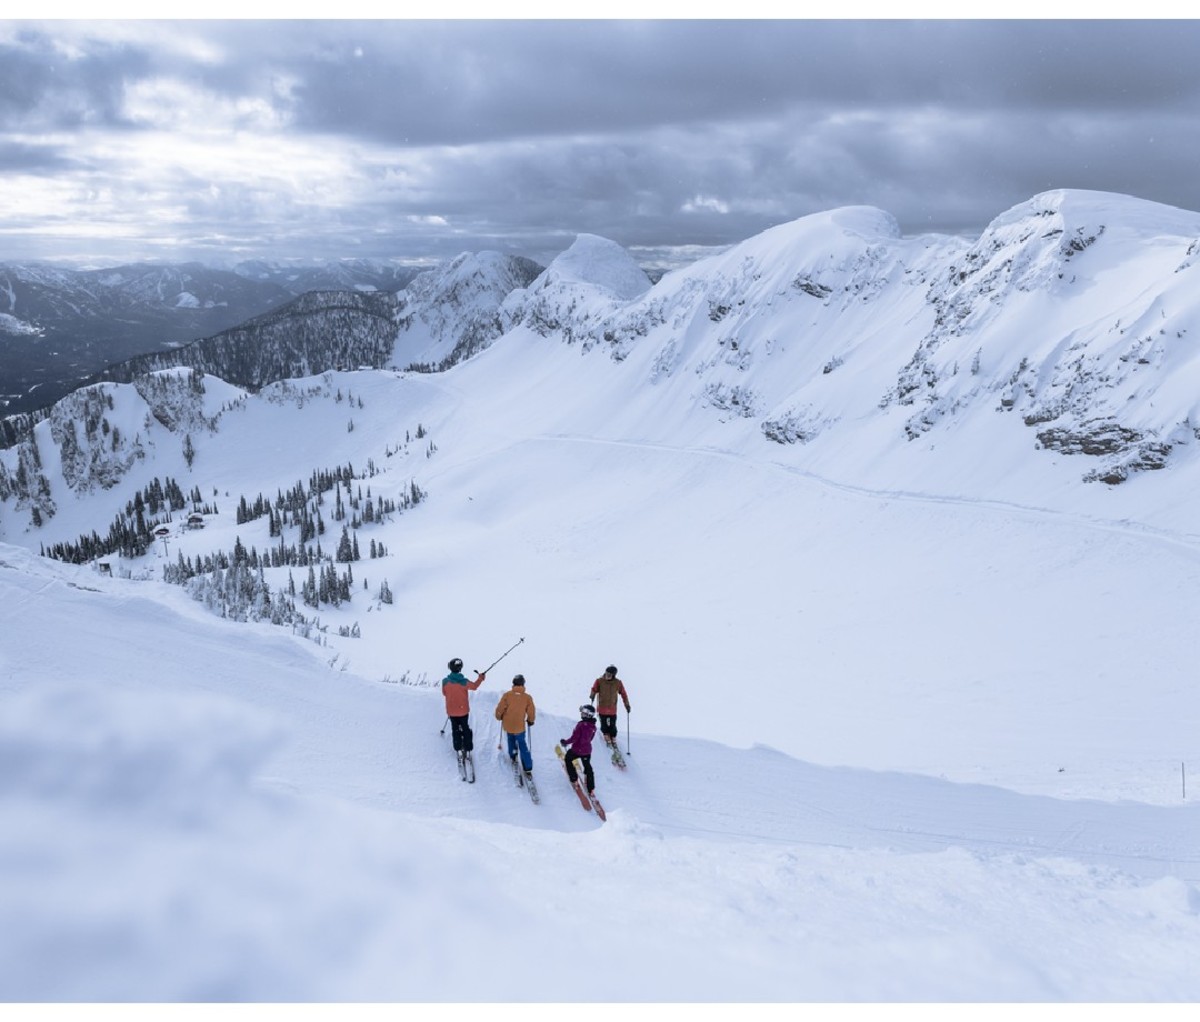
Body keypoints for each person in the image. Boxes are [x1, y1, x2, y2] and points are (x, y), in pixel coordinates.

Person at [442, 657, 485, 755]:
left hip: (451, 711)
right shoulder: (464, 681)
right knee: (465, 727)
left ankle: (457, 746)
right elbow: (474, 686)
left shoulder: (445, 681)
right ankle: (468, 746)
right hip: (463, 711)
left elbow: (444, 693)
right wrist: (480, 678)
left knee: (455, 728)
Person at [495, 673, 536, 774]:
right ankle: (528, 766)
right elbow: (531, 711)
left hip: (508, 725)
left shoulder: (507, 695)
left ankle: (513, 755)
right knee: (522, 744)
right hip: (519, 727)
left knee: (511, 740)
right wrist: (531, 720)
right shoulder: (527, 697)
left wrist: (499, 716)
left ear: (513, 684)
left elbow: (500, 708)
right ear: (523, 684)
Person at [589, 664, 630, 750]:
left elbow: (623, 694)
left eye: (609, 674)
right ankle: (606, 735)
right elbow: (594, 689)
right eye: (606, 673)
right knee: (604, 724)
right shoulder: (599, 681)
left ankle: (613, 737)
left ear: (613, 675)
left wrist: (627, 705)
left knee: (612, 725)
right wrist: (592, 695)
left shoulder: (618, 683)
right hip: (602, 708)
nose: (607, 675)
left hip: (612, 709)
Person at [561, 704, 598, 797]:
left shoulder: (581, 725)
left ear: (588, 714)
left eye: (584, 713)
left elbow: (574, 738)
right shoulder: (593, 726)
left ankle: (574, 780)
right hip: (587, 751)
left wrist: (565, 742)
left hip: (577, 750)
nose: (582, 714)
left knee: (568, 759)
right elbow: (590, 738)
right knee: (588, 767)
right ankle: (591, 788)